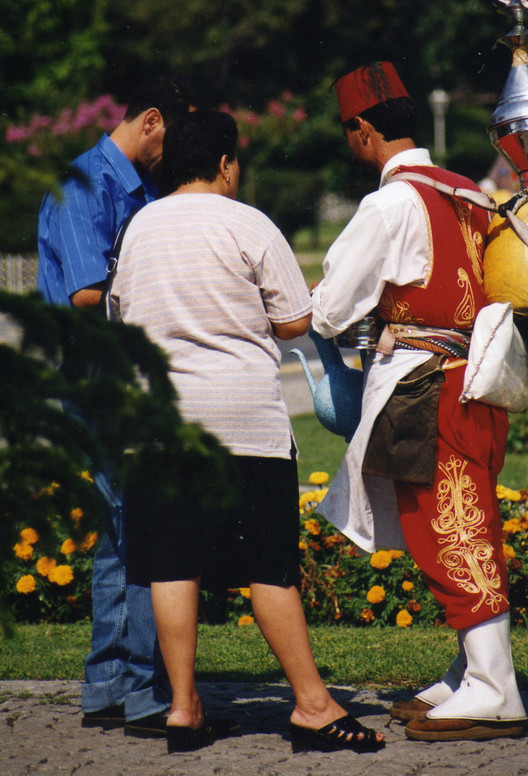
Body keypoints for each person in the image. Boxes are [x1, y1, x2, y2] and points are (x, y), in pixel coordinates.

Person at [108, 108, 384, 754]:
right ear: (227, 164)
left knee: (173, 566)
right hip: (243, 426)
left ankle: (182, 707)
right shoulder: (249, 224)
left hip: (157, 426)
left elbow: (121, 319)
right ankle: (313, 705)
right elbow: (295, 322)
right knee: (269, 567)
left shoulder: (139, 229)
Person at [311, 62, 528, 743]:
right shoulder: (466, 191)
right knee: (467, 523)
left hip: (424, 385)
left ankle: (494, 691)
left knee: (449, 531)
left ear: (362, 130)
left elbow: (329, 309)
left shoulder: (390, 202)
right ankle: (469, 676)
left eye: (349, 131)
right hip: (479, 376)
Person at [37, 76, 204, 735]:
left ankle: (105, 686)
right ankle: (140, 690)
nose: (182, 147)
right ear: (152, 121)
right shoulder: (84, 184)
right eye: (178, 132)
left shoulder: (142, 190)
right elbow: (84, 293)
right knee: (142, 531)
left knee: (118, 535)